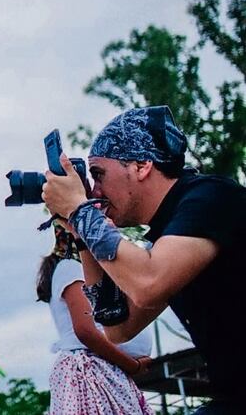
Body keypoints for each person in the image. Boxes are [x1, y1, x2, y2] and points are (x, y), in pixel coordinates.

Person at [43, 105, 246, 412]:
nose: (94, 191)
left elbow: (149, 281)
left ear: (141, 166)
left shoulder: (209, 197)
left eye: (98, 174)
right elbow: (118, 327)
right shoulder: (169, 233)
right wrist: (82, 236)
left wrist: (79, 210)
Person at [37, 222, 152, 413]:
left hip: (106, 369)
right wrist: (132, 365)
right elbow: (86, 331)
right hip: (89, 371)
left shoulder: (90, 272)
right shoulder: (70, 267)